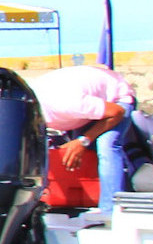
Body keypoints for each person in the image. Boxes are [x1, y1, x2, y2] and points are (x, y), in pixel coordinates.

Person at [28, 63, 136, 211]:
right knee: (78, 154)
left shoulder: (66, 103)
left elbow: (117, 112)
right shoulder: (30, 106)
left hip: (116, 100)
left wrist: (83, 140)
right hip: (87, 108)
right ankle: (85, 199)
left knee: (106, 145)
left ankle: (111, 211)